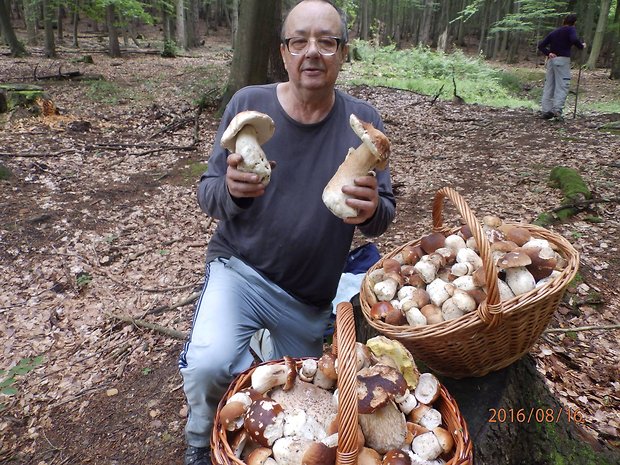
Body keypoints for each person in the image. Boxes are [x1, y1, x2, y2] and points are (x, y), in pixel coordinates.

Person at [178, 1, 395, 464]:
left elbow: (384, 213)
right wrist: (232, 192)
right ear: (284, 51)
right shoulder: (248, 104)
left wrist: (373, 210)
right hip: (240, 271)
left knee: (304, 402)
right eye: (300, 41)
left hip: (310, 295)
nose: (312, 52)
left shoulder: (364, 121)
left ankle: (262, 347)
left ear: (343, 52)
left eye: (326, 41)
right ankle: (199, 440)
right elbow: (208, 194)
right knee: (209, 364)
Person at [538, 13, 586, 120]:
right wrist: (581, 46)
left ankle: (546, 110)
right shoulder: (571, 29)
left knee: (549, 84)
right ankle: (557, 110)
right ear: (574, 23)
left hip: (551, 60)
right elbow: (574, 39)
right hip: (563, 60)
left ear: (564, 21)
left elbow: (541, 45)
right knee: (562, 85)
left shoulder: (555, 32)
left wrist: (548, 53)